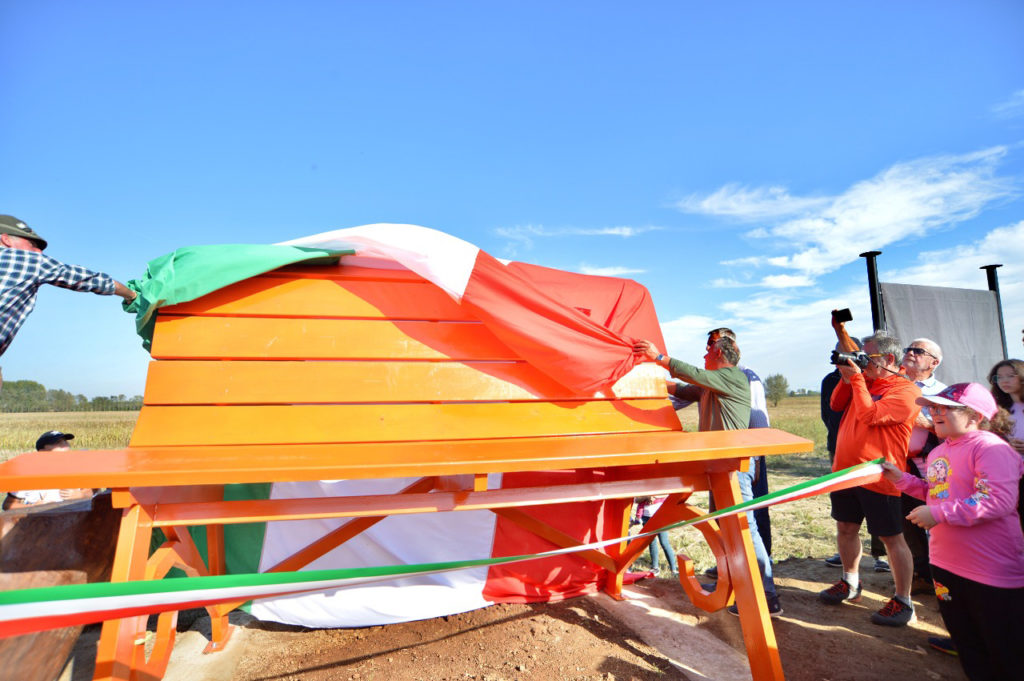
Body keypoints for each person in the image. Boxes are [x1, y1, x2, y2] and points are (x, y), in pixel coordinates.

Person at [882, 383, 1024, 681]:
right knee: (967, 643)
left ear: (974, 415)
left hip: (990, 570)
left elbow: (996, 500)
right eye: (931, 408)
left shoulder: (990, 448)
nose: (933, 413)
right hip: (947, 566)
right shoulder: (938, 453)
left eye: (942, 408)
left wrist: (938, 514)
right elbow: (939, 493)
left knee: (1005, 649)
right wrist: (901, 479)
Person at [633, 336, 782, 616]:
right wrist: (646, 382)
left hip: (733, 467)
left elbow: (695, 374)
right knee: (728, 529)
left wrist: (659, 358)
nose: (703, 355)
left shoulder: (733, 378)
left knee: (744, 528)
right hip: (718, 467)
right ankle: (739, 588)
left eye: (707, 351)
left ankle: (767, 595)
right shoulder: (712, 385)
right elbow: (684, 387)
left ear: (718, 354)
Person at [819, 331, 921, 627]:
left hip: (878, 475)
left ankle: (904, 600)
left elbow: (869, 415)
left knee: (891, 537)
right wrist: (847, 375)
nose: (862, 362)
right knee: (846, 527)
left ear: (889, 359)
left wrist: (858, 379)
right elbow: (837, 404)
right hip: (846, 472)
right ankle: (850, 582)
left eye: (868, 357)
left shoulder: (906, 391)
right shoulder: (867, 380)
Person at [0, 215, 137, 360]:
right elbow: (91, 280)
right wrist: (131, 295)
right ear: (6, 239)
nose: (39, 252)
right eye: (32, 244)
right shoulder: (28, 261)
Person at [821, 339, 890, 573]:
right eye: (841, 355)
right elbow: (832, 410)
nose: (844, 359)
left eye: (850, 354)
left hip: (873, 460)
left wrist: (857, 378)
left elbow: (869, 414)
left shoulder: (886, 384)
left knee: (883, 523)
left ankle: (881, 556)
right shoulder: (833, 380)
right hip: (843, 453)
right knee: (846, 518)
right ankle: (849, 571)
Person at [900, 338, 947, 590]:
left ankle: (942, 575)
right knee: (907, 518)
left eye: (918, 351)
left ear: (934, 362)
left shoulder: (943, 391)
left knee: (935, 518)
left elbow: (952, 430)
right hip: (899, 464)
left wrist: (925, 422)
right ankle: (921, 574)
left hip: (933, 465)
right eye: (908, 349)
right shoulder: (894, 384)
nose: (910, 353)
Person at [2, 431, 92, 509]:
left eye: (65, 441)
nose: (64, 444)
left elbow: (92, 491)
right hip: (39, 523)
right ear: (42, 452)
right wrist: (33, 508)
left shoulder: (78, 467)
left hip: (73, 521)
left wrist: (80, 495)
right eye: (57, 442)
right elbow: (8, 505)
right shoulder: (28, 474)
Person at [634, 496, 678, 574]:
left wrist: (654, 496)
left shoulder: (659, 485)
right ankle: (655, 567)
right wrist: (646, 497)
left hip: (660, 516)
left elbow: (666, 494)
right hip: (646, 518)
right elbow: (636, 500)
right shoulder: (641, 486)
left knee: (664, 543)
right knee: (651, 542)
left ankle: (673, 569)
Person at [989, 359, 1024, 456]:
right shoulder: (996, 408)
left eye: (1011, 376)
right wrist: (1007, 444)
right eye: (999, 377)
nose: (1004, 381)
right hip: (1011, 466)